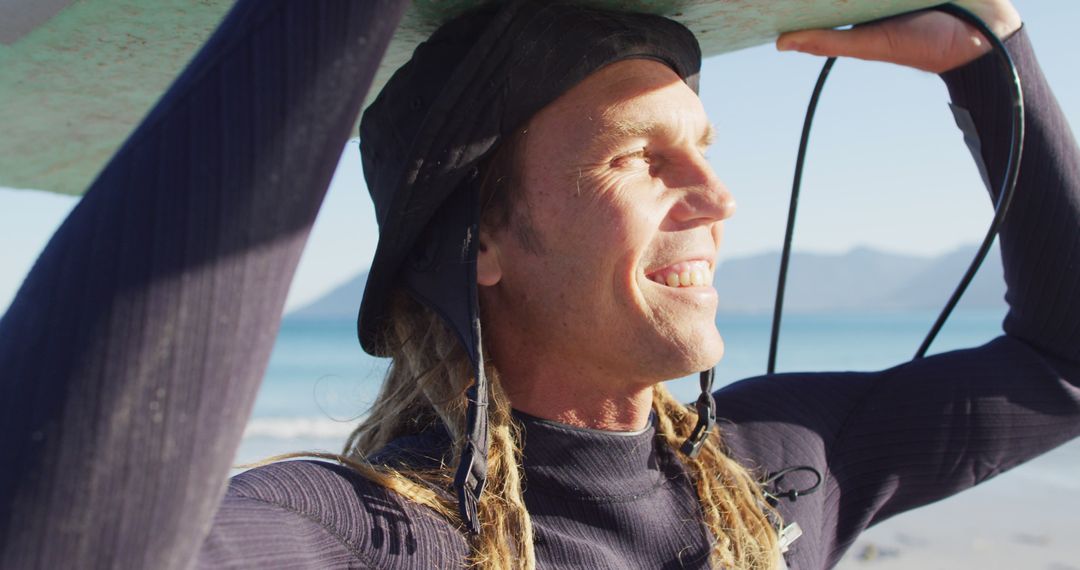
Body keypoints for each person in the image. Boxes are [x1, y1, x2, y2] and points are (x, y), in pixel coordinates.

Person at [0, 1, 1076, 569]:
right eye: (636, 158)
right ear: (485, 243)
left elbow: (1062, 366)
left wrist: (993, 58)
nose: (715, 196)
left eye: (704, 145)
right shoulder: (359, 536)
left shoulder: (783, 469)